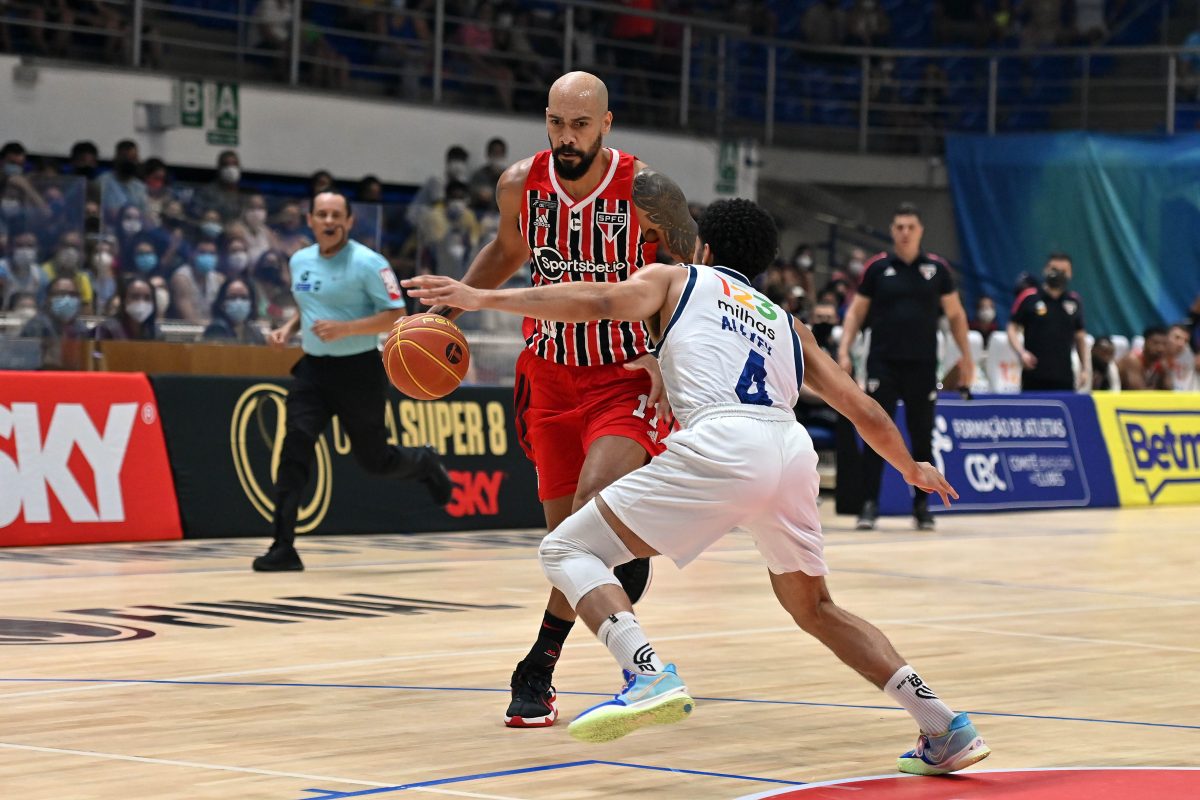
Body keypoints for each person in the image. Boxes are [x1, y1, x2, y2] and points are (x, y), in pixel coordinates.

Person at [404, 198, 991, 776]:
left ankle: (646, 673)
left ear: (704, 248)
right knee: (816, 608)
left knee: (566, 548)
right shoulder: (788, 324)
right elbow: (862, 408)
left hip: (725, 440)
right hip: (789, 451)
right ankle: (944, 725)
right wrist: (910, 466)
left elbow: (600, 301)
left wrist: (482, 297)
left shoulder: (677, 279)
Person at [429, 71, 698, 729]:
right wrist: (443, 316)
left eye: (580, 125)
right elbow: (506, 250)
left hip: (622, 375)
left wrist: (669, 356)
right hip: (548, 376)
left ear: (606, 123)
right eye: (556, 123)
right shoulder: (520, 184)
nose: (567, 137)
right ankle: (615, 580)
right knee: (568, 545)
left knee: (587, 515)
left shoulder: (647, 190)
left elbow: (692, 274)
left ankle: (541, 666)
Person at [251, 190, 453, 572]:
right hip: (313, 371)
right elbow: (308, 306)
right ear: (310, 220)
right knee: (294, 450)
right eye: (322, 214)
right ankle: (283, 546)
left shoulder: (368, 263)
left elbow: (396, 314)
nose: (329, 221)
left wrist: (345, 328)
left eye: (336, 215)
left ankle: (424, 462)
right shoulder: (299, 260)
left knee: (375, 461)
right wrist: (288, 329)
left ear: (349, 221)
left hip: (359, 372)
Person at [836, 203, 973, 532]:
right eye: (899, 227)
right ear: (892, 231)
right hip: (882, 363)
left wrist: (967, 358)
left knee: (922, 436)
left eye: (911, 227)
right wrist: (844, 350)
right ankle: (869, 504)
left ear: (920, 230)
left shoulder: (937, 270)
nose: (905, 232)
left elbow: (956, 315)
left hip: (922, 366)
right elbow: (856, 312)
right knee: (874, 430)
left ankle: (922, 506)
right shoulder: (877, 268)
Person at [1007, 253, 1088, 392]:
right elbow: (1012, 328)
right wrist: (1021, 353)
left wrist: (1084, 368)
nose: (1058, 274)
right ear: (1045, 270)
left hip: (1064, 376)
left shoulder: (1074, 300)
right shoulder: (1029, 297)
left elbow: (1080, 336)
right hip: (1034, 374)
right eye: (1054, 269)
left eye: (1063, 271)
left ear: (1070, 274)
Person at [20, 276, 89, 369]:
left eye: (72, 294)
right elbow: (27, 362)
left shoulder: (80, 328)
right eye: (61, 294)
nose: (67, 299)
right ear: (49, 298)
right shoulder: (36, 326)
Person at [204, 277, 266, 345]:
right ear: (222, 303)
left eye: (244, 297)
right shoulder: (217, 329)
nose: (239, 302)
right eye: (232, 297)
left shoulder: (254, 331)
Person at [94, 276, 159, 341]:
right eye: (135, 296)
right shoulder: (108, 329)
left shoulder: (156, 333)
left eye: (147, 298)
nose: (141, 302)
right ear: (124, 300)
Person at [1119, 325, 1173, 390]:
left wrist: (1165, 371)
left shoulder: (1160, 364)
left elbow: (1169, 390)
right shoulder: (1132, 360)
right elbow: (1138, 392)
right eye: (1156, 343)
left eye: (1164, 344)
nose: (1160, 348)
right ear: (1145, 343)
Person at [1166, 323, 1197, 391]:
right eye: (1177, 337)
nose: (1181, 344)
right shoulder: (1154, 360)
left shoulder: (1190, 361)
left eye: (1186, 341)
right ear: (1166, 337)